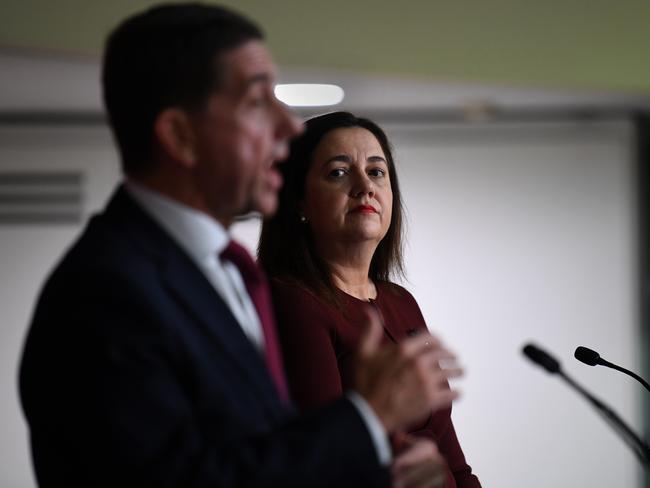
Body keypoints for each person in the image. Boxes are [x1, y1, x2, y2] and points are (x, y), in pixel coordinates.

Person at [19, 4, 462, 487]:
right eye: (256, 104)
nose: (289, 127)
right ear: (181, 136)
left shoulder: (224, 275)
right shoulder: (105, 293)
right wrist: (368, 422)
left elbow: (261, 452)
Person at [258, 111, 481, 487]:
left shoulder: (401, 302)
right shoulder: (294, 302)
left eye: (377, 172)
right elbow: (326, 463)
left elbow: (454, 461)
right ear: (299, 201)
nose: (365, 187)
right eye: (339, 173)